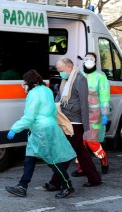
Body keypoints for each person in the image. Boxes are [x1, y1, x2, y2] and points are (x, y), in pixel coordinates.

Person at [5, 69, 77, 198]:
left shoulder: (33, 94)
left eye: (25, 84)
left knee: (52, 159)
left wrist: (14, 129)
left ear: (31, 83)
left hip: (41, 130)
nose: (24, 86)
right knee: (29, 158)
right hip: (45, 128)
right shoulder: (47, 90)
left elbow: (29, 117)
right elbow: (53, 110)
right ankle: (22, 186)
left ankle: (67, 186)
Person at [43, 58, 102, 191]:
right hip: (66, 119)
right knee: (80, 152)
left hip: (75, 122)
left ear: (69, 66)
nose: (60, 74)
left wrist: (86, 127)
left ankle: (56, 182)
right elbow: (59, 97)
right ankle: (95, 178)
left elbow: (83, 103)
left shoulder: (80, 79)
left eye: (61, 70)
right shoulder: (66, 80)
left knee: (67, 152)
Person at [72, 52, 110, 177]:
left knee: (91, 141)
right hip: (79, 114)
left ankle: (103, 159)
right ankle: (82, 167)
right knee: (79, 142)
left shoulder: (100, 76)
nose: (88, 61)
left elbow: (104, 96)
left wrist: (105, 114)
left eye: (91, 59)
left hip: (94, 114)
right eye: (86, 59)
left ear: (95, 62)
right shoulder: (78, 75)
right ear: (83, 61)